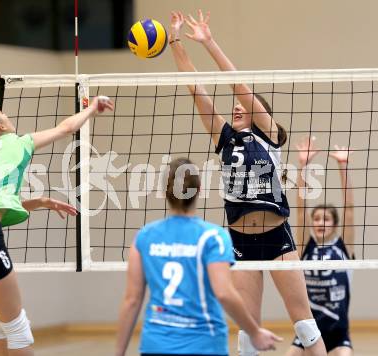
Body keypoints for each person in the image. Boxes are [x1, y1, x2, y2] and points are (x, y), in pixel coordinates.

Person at [168, 10, 327, 355]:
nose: (237, 107)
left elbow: (238, 84)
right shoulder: (224, 138)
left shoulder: (270, 137)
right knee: (246, 330)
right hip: (240, 239)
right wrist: (174, 40)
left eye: (244, 106)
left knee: (303, 322)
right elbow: (196, 88)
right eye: (235, 107)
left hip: (277, 238)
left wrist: (209, 43)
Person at [0, 96, 113, 356]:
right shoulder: (15, 142)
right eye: (3, 114)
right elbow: (66, 128)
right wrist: (91, 108)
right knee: (18, 330)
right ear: (0, 127)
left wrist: (40, 201)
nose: (8, 117)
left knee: (1, 323)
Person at [115, 157, 281, 356]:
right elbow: (224, 293)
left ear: (163, 192)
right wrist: (254, 333)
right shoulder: (214, 237)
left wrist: (118, 353)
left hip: (156, 344)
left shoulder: (145, 237)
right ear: (199, 190)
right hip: (204, 344)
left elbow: (132, 300)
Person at [286, 137, 354, 356]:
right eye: (316, 219)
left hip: (338, 332)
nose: (320, 223)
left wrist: (343, 166)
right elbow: (300, 208)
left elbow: (350, 208)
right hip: (308, 331)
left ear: (334, 224)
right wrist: (303, 166)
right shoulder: (307, 246)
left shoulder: (344, 248)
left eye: (325, 219)